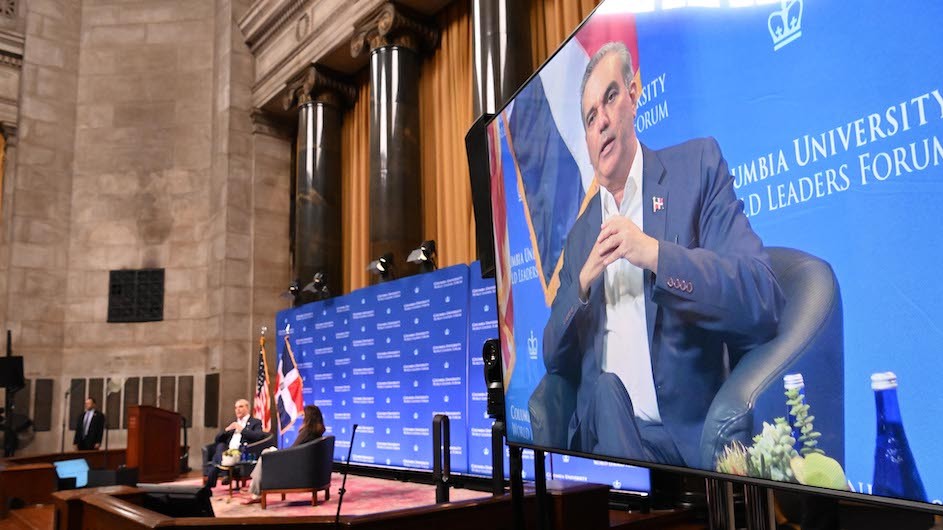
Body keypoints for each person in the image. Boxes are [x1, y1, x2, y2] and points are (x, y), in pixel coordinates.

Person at [542, 41, 785, 469]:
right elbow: (553, 356)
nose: (601, 123)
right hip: (604, 435)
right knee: (603, 391)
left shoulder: (696, 169)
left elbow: (761, 295)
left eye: (611, 97)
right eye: (589, 117)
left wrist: (655, 255)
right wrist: (580, 286)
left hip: (683, 439)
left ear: (635, 94)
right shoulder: (581, 237)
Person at [241, 404, 325, 505]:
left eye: (304, 416)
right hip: (302, 463)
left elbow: (294, 450)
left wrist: (280, 453)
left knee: (265, 454)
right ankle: (254, 487)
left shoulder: (307, 431)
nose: (302, 418)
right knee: (267, 453)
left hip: (294, 465)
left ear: (309, 418)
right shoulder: (318, 431)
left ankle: (255, 491)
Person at [206, 398, 265, 488]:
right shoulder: (233, 424)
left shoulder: (255, 422)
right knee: (220, 446)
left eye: (240, 407)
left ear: (247, 408)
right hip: (228, 452)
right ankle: (225, 474)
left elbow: (258, 436)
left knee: (216, 460)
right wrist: (226, 430)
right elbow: (217, 439)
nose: (237, 409)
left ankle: (210, 485)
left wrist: (242, 429)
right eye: (236, 407)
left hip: (243, 451)